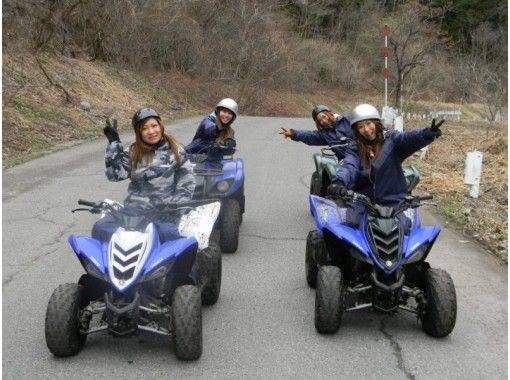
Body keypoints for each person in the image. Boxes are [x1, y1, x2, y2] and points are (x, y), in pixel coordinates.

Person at [328, 103, 443, 230]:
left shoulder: (392, 139)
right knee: (350, 227)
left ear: (376, 123)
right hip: (362, 200)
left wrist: (425, 134)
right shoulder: (354, 148)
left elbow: (407, 138)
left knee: (404, 229)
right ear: (356, 130)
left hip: (392, 200)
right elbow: (349, 165)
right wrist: (339, 181)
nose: (366, 129)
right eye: (360, 127)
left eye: (368, 123)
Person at [92, 107, 196, 243]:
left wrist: (174, 210)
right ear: (138, 132)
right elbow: (115, 175)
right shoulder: (132, 151)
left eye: (154, 126)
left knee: (168, 235)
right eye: (144, 128)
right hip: (134, 209)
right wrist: (113, 144)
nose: (151, 131)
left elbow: (187, 184)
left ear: (160, 126)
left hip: (164, 210)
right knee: (101, 228)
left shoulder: (176, 150)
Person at [279, 105, 354, 160]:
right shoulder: (324, 134)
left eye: (324, 116)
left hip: (362, 155)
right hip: (345, 162)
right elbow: (309, 135)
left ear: (329, 113)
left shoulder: (347, 119)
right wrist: (293, 133)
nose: (323, 121)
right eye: (320, 121)